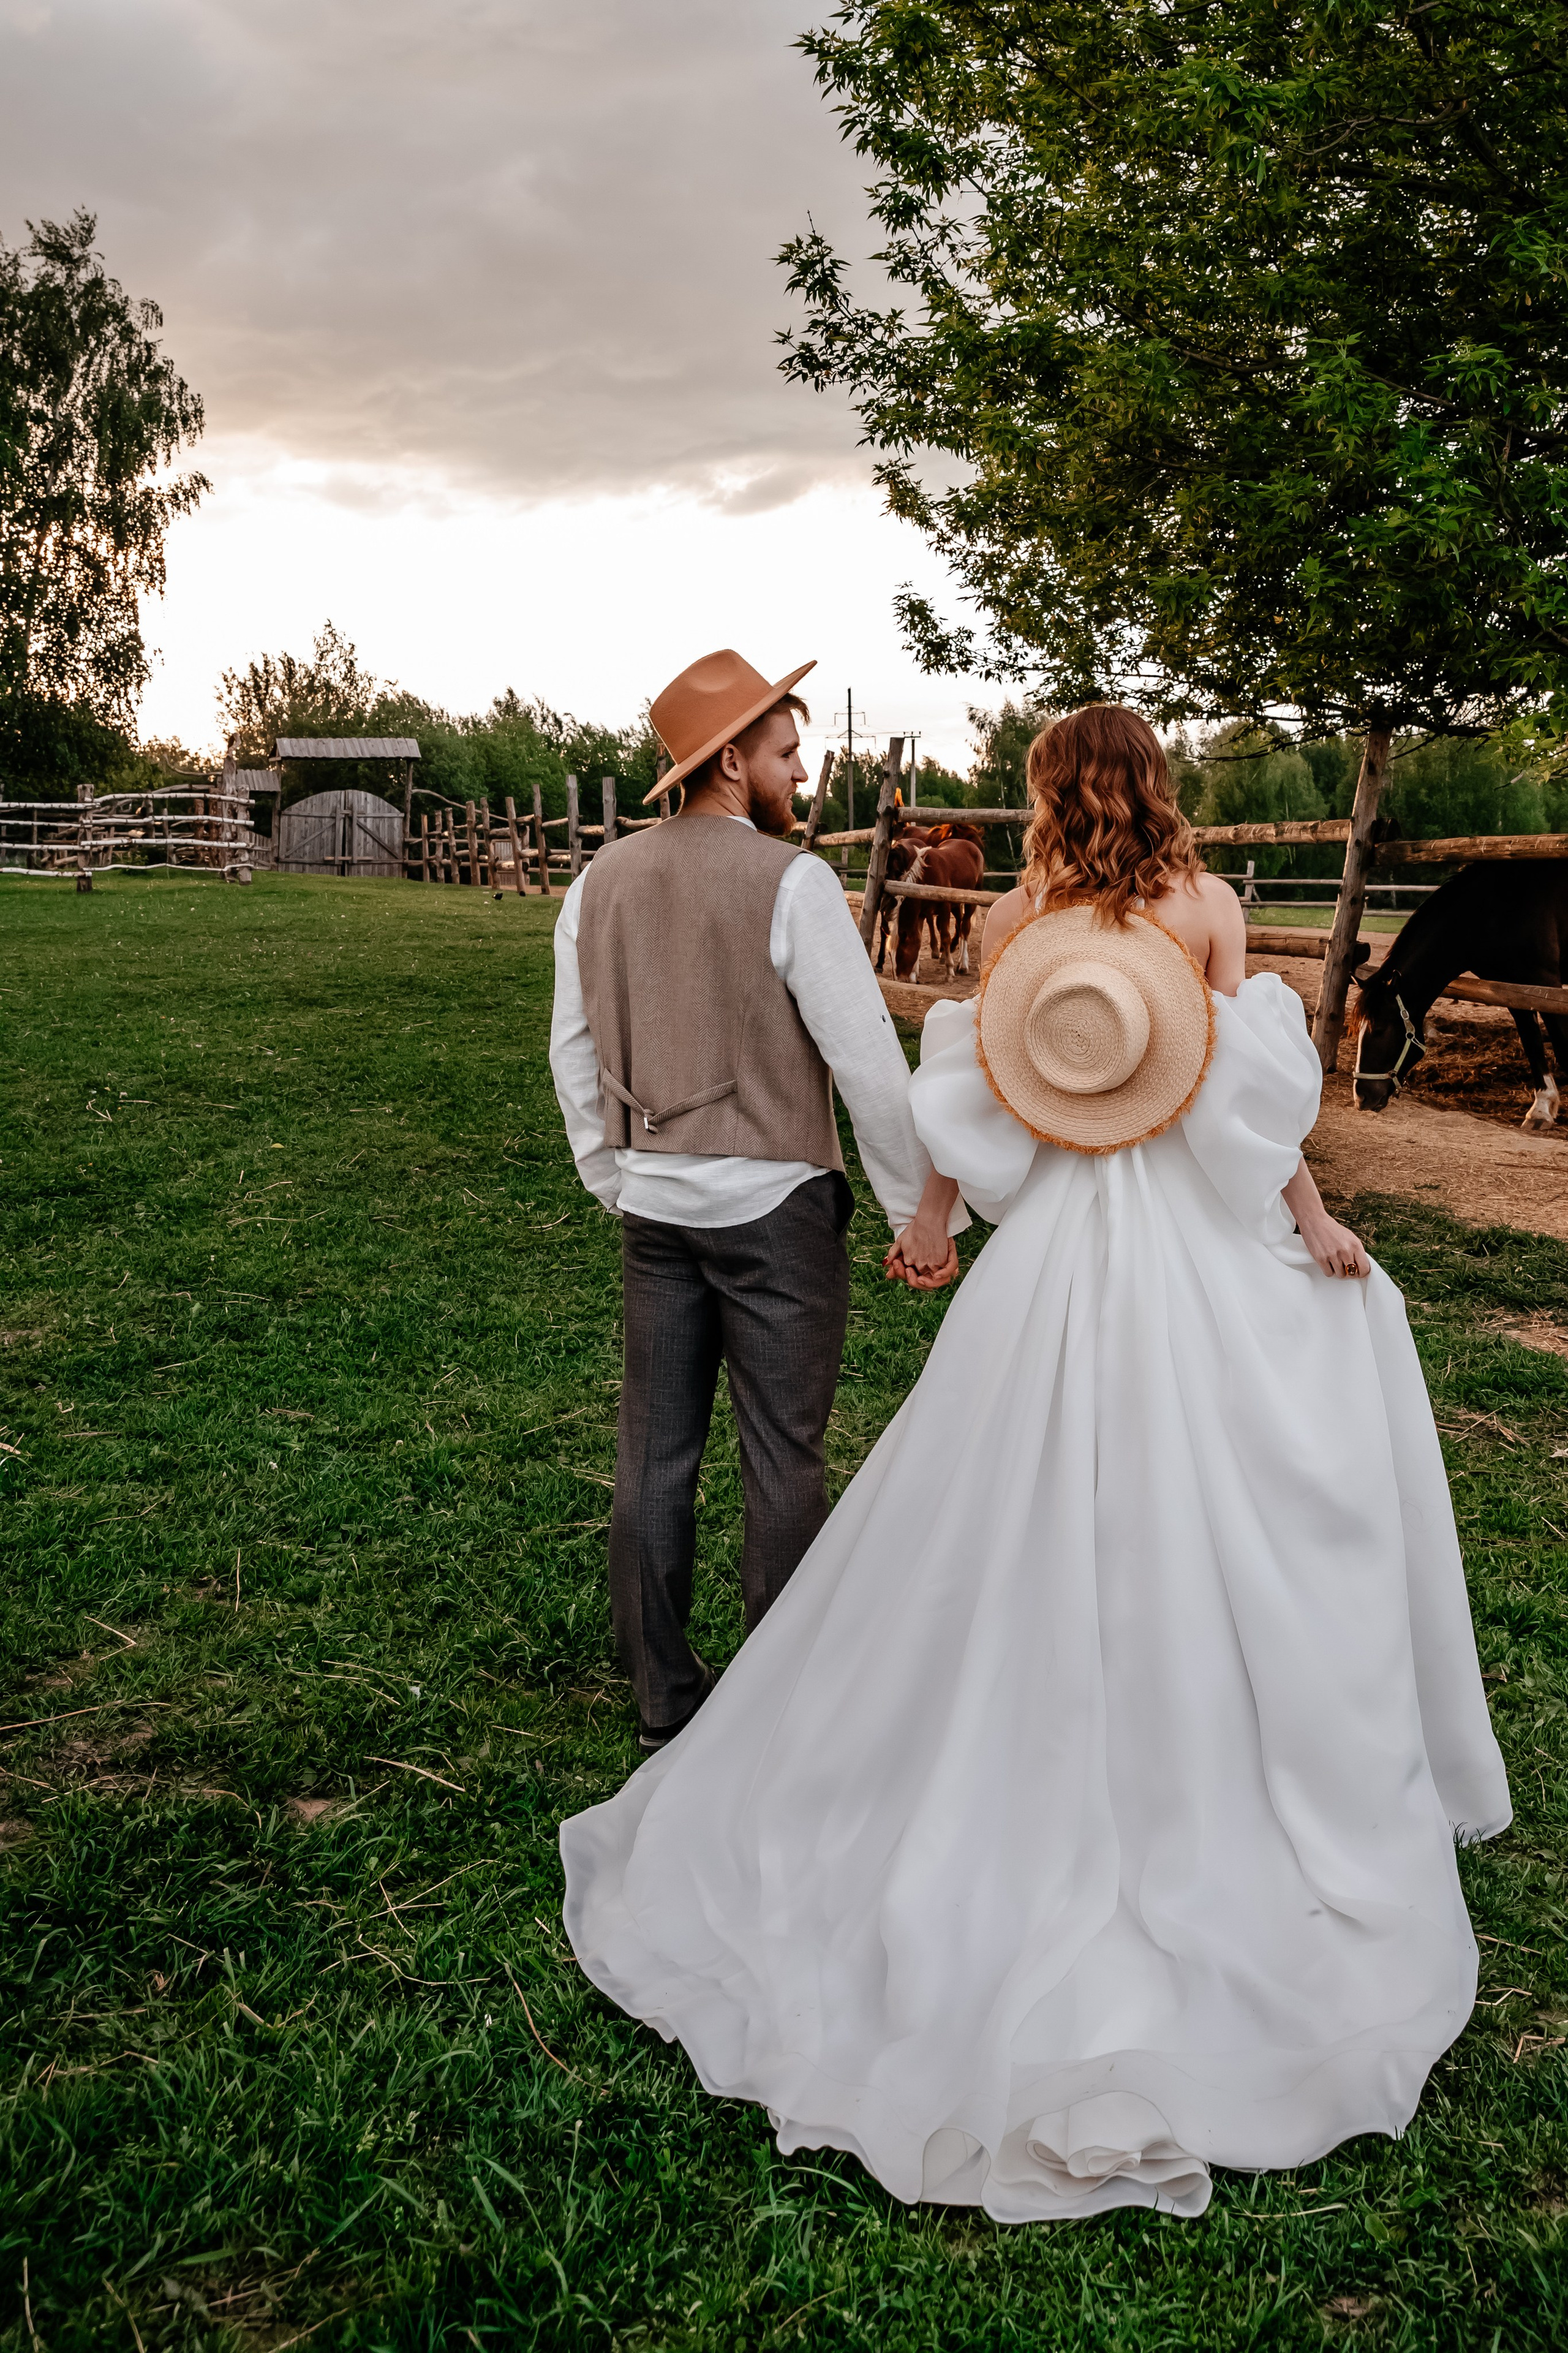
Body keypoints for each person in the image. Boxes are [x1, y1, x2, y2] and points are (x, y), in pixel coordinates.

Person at [559, 703, 1511, 2223]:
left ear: (1050, 799)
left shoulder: (1010, 911)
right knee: (1224, 1492)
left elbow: (977, 1092)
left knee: (989, 1507)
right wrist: (1309, 1221)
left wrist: (933, 1219)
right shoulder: (1206, 906)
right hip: (1182, 1245)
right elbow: (1246, 1110)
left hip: (1056, 1250)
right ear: (1155, 789)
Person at [549, 648, 957, 1752]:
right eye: (785, 750)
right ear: (731, 761)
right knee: (783, 1455)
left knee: (652, 1449)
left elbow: (573, 1053)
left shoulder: (597, 885)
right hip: (777, 1213)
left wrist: (615, 1175)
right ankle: (778, 1708)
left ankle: (661, 1697)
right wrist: (924, 1212)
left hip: (657, 1210)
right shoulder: (795, 882)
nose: (798, 767)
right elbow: (869, 1064)